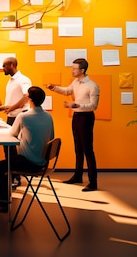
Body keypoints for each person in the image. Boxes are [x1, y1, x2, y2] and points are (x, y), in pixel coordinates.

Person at [0, 86, 55, 213]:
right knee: (7, 163)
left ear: (29, 99)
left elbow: (12, 134)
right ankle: (5, 199)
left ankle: (3, 203)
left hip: (28, 162)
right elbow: (51, 137)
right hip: (44, 162)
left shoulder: (24, 117)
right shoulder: (48, 117)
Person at [47, 58, 100, 192]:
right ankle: (78, 176)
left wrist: (76, 105)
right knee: (78, 148)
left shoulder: (93, 86)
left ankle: (93, 182)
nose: (72, 70)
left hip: (86, 118)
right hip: (76, 117)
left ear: (82, 70)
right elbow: (66, 91)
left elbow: (94, 106)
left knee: (88, 149)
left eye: (74, 68)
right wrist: (54, 88)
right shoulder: (76, 82)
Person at [0, 57, 32, 189]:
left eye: (4, 66)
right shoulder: (11, 81)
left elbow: (27, 96)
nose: (3, 68)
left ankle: (16, 178)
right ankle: (11, 175)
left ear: (12, 65)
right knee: (7, 148)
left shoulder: (23, 80)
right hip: (11, 117)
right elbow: (11, 102)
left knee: (12, 149)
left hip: (19, 117)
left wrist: (13, 108)